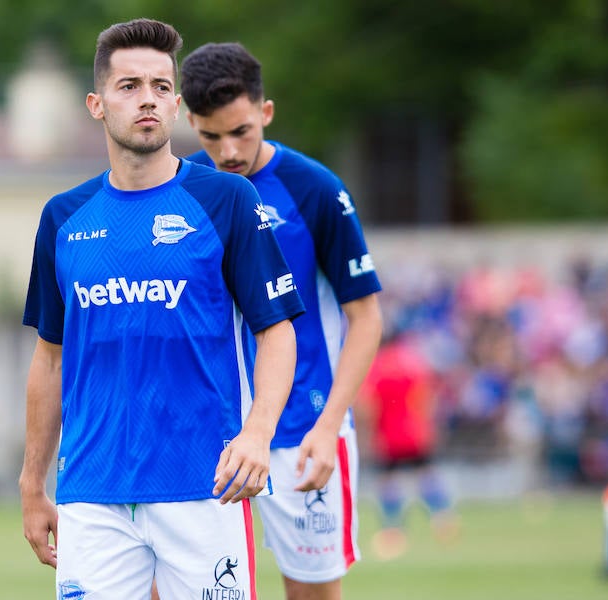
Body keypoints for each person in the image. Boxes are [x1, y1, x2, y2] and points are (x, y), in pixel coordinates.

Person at [19, 19, 304, 600]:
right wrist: (31, 482)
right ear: (97, 104)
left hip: (206, 486)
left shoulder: (225, 200)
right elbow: (49, 360)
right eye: (129, 86)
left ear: (176, 102)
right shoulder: (62, 219)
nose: (147, 98)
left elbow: (276, 331)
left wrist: (257, 433)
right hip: (92, 494)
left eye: (159, 85)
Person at [178, 42, 383, 600]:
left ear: (265, 112)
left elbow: (365, 317)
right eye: (210, 136)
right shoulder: (180, 190)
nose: (228, 151)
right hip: (212, 434)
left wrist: (329, 423)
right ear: (190, 121)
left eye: (241, 131)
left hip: (303, 431)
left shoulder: (315, 188)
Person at [355, 331, 458, 560]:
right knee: (426, 475)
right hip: (416, 433)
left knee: (388, 482)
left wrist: (369, 432)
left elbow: (367, 405)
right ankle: (443, 520)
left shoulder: (378, 366)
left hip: (389, 436)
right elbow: (428, 397)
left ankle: (393, 530)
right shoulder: (414, 363)